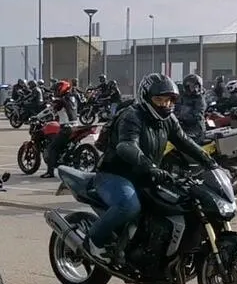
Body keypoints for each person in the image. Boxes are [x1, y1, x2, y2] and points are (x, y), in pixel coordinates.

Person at [86, 73, 217, 261]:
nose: (165, 104)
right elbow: (127, 145)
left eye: (169, 100)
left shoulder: (168, 120)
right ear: (146, 98)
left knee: (179, 202)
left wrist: (210, 161)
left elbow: (184, 141)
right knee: (129, 206)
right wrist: (151, 167)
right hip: (116, 174)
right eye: (159, 99)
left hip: (145, 175)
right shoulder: (132, 116)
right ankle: (94, 242)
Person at [41, 80, 79, 179]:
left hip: (66, 128)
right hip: (76, 126)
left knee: (52, 148)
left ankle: (50, 172)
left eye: (57, 90)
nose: (55, 92)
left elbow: (52, 109)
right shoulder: (73, 97)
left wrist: (39, 116)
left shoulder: (61, 100)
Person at [174, 73, 207, 140]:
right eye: (192, 86)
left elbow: (198, 115)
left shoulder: (200, 99)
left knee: (181, 141)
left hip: (196, 130)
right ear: (186, 87)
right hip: (182, 127)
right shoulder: (182, 97)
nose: (195, 89)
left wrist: (182, 118)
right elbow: (175, 108)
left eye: (196, 86)